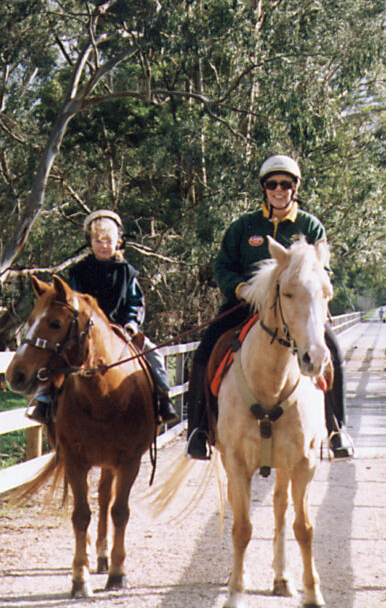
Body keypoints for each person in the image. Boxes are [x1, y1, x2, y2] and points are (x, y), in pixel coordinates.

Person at [184, 154, 354, 460]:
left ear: (294, 188)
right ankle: (199, 431)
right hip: (244, 306)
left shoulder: (310, 226)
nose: (279, 189)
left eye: (286, 184)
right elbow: (222, 266)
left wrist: (317, 294)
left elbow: (321, 269)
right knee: (204, 351)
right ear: (264, 188)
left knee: (334, 353)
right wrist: (242, 288)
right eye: (273, 184)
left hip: (297, 309)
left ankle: (336, 429)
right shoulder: (244, 226)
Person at [27, 209, 178, 425]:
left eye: (108, 240)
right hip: (83, 331)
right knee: (59, 356)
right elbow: (71, 303)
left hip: (119, 329)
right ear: (90, 242)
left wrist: (132, 323)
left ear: (118, 242)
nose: (103, 245)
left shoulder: (127, 272)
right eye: (98, 241)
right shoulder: (79, 271)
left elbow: (135, 302)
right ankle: (44, 397)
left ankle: (163, 399)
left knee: (154, 356)